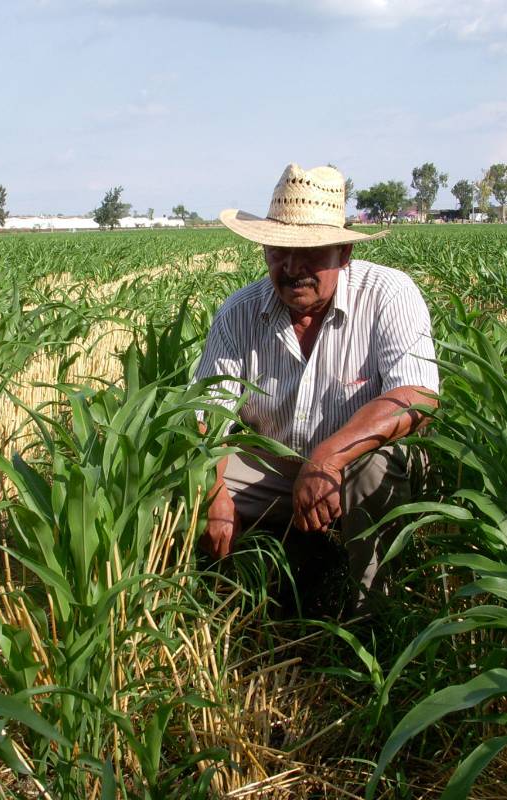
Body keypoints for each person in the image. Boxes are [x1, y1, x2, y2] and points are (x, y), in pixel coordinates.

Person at [193, 163, 440, 610]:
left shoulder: (387, 294)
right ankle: (240, 590)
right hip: (275, 466)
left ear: (344, 252)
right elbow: (204, 418)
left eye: (310, 252)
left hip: (359, 465)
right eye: (279, 251)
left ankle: (374, 613)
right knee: (186, 478)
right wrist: (212, 496)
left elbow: (417, 395)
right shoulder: (238, 314)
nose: (292, 268)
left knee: (373, 468)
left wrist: (328, 457)